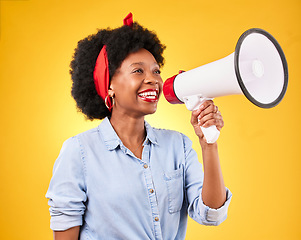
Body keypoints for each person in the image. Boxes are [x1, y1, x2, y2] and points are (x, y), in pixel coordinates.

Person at [46, 13, 232, 240]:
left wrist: (208, 144)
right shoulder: (79, 152)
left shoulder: (178, 145)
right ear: (110, 84)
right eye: (138, 71)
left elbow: (212, 215)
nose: (153, 79)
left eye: (156, 71)